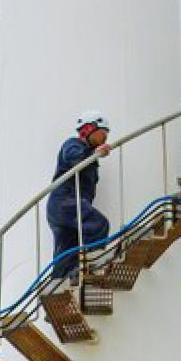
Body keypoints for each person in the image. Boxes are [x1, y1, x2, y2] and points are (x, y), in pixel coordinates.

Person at [47, 111, 112, 282]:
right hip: (64, 201)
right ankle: (93, 264)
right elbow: (74, 159)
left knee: (67, 251)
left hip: (63, 207)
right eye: (102, 134)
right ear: (88, 129)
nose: (105, 138)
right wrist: (95, 154)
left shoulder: (89, 156)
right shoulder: (73, 144)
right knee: (98, 224)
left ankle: (58, 283)